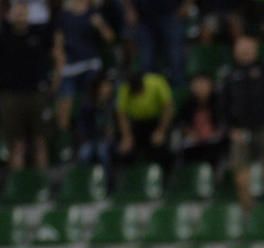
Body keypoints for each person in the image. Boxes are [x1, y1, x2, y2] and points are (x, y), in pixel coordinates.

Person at [220, 35, 264, 211]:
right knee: (240, 177)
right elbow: (221, 106)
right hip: (240, 131)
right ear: (235, 51)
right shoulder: (229, 75)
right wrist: (229, 128)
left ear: (255, 50)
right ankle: (249, 217)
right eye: (241, 48)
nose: (244, 52)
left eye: (248, 48)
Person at [0, 2, 54, 170]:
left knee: (40, 142)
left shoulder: (39, 33)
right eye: (17, 12)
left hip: (36, 94)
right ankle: (17, 188)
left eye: (23, 12)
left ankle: (41, 187)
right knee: (17, 145)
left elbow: (56, 56)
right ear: (10, 15)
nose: (20, 15)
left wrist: (53, 84)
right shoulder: (4, 35)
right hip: (12, 95)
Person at [54, 0, 115, 142]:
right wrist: (59, 61)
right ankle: (67, 144)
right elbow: (58, 42)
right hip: (69, 67)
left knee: (96, 97)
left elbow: (110, 38)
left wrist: (100, 25)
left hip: (90, 64)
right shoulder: (63, 16)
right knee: (63, 106)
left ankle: (100, 134)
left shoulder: (94, 13)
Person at [116, 70, 174, 168]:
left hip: (157, 122)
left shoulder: (157, 82)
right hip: (137, 124)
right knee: (125, 152)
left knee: (161, 149)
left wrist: (161, 131)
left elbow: (168, 108)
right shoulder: (125, 88)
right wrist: (127, 137)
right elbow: (121, 114)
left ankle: (165, 179)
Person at [124, 0, 188, 87]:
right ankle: (149, 89)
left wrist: (187, 4)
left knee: (176, 58)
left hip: (170, 14)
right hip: (144, 18)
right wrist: (129, 9)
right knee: (146, 60)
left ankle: (179, 90)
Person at [177, 73, 225, 167]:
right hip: (194, 142)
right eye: (197, 85)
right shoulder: (188, 104)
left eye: (203, 84)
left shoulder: (219, 103)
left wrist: (217, 133)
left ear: (211, 86)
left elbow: (224, 123)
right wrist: (189, 132)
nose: (200, 88)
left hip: (214, 142)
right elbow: (181, 123)